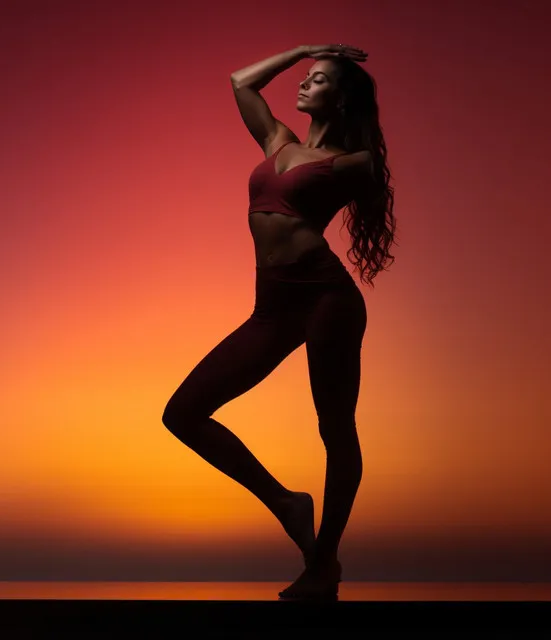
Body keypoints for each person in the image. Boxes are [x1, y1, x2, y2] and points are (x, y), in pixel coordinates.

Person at [162, 43, 397, 600]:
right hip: (271, 306)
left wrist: (349, 115)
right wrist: (306, 51)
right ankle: (288, 503)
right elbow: (241, 81)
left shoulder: (353, 162)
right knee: (184, 413)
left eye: (317, 81)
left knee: (334, 428)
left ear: (340, 99)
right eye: (307, 77)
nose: (304, 84)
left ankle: (324, 564)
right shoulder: (278, 142)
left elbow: (374, 186)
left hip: (326, 299)